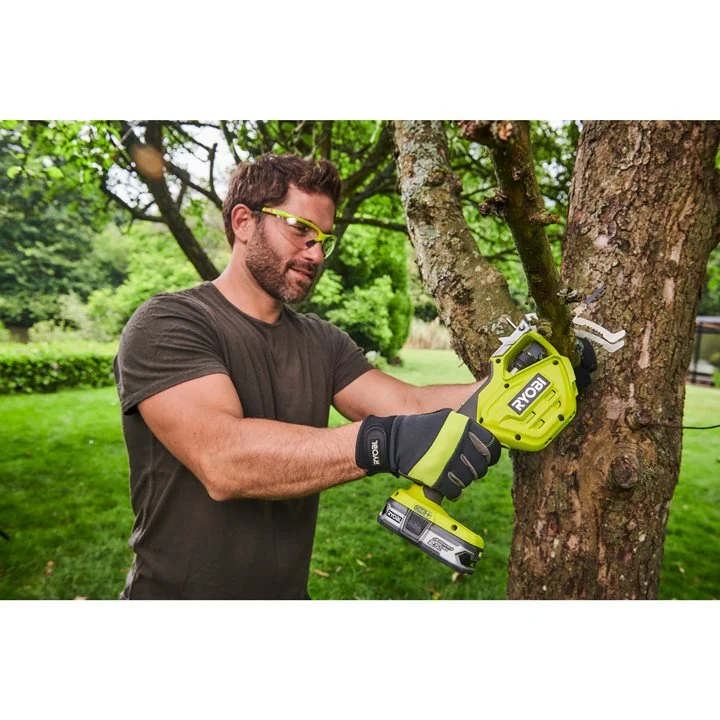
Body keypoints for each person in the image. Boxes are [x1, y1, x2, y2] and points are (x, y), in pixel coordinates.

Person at [113, 153, 501, 600]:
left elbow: (409, 405)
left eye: (323, 240)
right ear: (243, 222)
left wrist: (511, 387)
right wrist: (381, 442)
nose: (315, 253)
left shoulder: (323, 341)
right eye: (300, 229)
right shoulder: (168, 323)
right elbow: (223, 458)